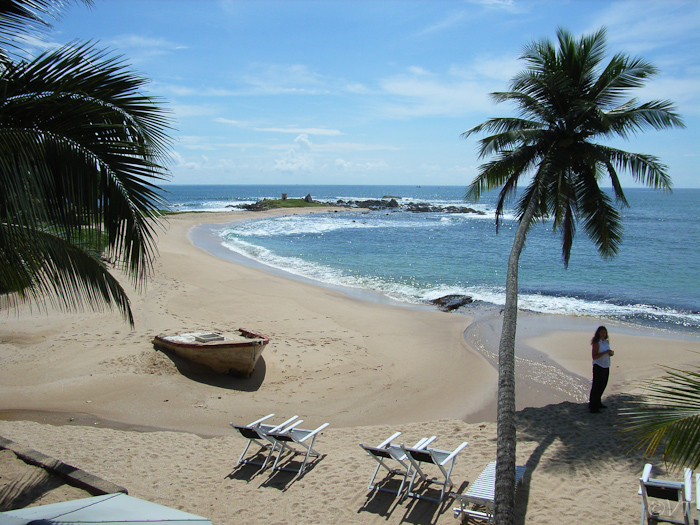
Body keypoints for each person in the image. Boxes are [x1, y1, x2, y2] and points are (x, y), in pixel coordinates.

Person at [589, 326, 614, 413]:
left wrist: (610, 353)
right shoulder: (597, 342)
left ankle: (598, 402)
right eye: (602, 332)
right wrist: (605, 352)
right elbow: (594, 356)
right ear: (598, 333)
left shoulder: (606, 342)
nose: (603, 334)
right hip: (598, 365)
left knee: (603, 385)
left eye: (605, 332)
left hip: (606, 365)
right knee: (596, 386)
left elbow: (607, 352)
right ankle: (593, 405)